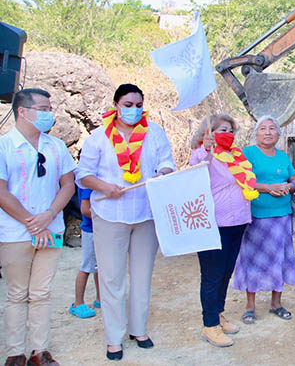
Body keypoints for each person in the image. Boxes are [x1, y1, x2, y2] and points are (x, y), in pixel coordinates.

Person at [77, 84, 176, 361]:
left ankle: (139, 330)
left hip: (145, 213)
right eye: (128, 104)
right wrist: (105, 187)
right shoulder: (99, 137)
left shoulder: (154, 132)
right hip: (109, 214)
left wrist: (163, 173)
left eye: (138, 104)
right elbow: (84, 174)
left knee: (142, 276)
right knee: (112, 278)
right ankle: (113, 338)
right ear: (116, 105)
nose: (134, 109)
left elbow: (167, 163)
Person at [0, 88, 77, 366]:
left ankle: (40, 351)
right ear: (23, 111)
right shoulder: (4, 146)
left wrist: (49, 215)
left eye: (49, 108)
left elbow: (68, 184)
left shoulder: (55, 146)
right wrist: (31, 222)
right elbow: (2, 192)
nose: (49, 113)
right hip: (15, 233)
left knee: (42, 292)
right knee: (17, 293)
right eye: (43, 109)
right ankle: (14, 352)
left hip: (52, 230)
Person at [189, 114, 256, 348]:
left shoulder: (235, 156)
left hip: (237, 222)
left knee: (226, 272)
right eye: (221, 130)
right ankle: (209, 326)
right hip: (214, 224)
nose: (227, 134)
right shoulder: (203, 155)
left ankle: (218, 314)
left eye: (230, 130)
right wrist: (206, 150)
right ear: (208, 133)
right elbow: (197, 166)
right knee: (212, 275)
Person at [233, 115, 295, 324]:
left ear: (278, 134)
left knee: (278, 258)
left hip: (281, 216)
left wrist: (289, 187)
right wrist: (268, 188)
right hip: (255, 216)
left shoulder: (283, 157)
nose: (268, 132)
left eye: (272, 128)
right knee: (252, 259)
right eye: (263, 129)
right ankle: (250, 306)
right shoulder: (248, 153)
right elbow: (242, 180)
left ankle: (276, 303)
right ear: (256, 134)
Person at [69, 186, 100, 319]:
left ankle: (100, 298)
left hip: (99, 229)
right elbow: (85, 209)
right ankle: (78, 303)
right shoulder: (87, 183)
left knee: (99, 266)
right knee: (87, 267)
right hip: (90, 231)